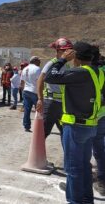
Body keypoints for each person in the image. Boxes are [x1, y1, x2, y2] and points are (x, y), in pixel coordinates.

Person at [44, 42, 105, 203]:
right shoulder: (97, 72)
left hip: (75, 127)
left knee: (73, 169)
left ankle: (75, 201)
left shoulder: (79, 72)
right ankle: (86, 200)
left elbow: (50, 77)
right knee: (84, 166)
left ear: (75, 56)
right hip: (90, 126)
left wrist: (61, 60)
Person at [36, 37, 73, 139]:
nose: (67, 52)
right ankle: (37, 154)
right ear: (58, 51)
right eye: (64, 50)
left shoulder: (67, 66)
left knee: (65, 133)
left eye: (69, 50)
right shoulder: (52, 63)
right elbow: (40, 80)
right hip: (51, 103)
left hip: (63, 105)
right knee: (43, 132)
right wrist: (40, 99)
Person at [91, 46, 105, 195]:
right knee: (100, 148)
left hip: (91, 115)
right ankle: (102, 181)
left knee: (82, 150)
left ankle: (81, 181)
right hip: (102, 114)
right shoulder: (102, 70)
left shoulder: (89, 72)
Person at [20, 56, 41, 132]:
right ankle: (38, 127)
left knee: (27, 110)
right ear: (35, 61)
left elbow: (22, 82)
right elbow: (40, 82)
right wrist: (41, 95)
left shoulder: (25, 69)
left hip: (26, 91)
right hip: (34, 92)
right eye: (39, 60)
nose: (40, 62)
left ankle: (26, 126)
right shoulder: (37, 69)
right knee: (39, 110)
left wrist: (23, 91)